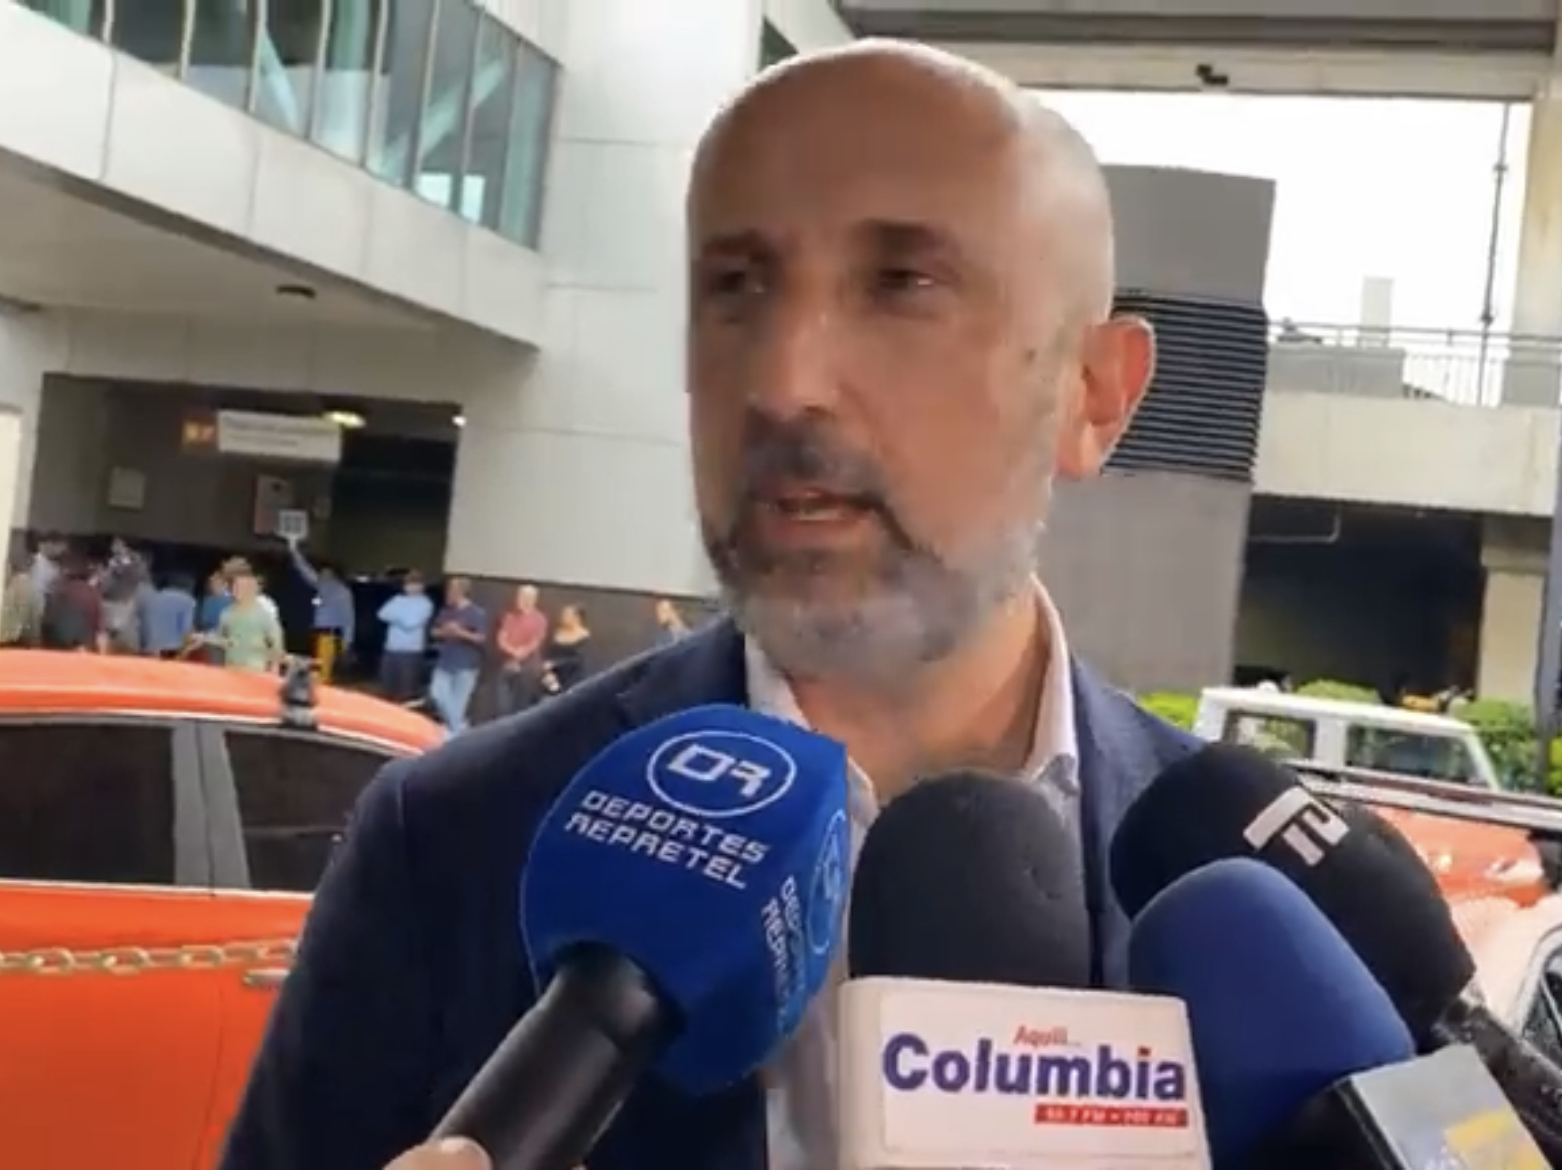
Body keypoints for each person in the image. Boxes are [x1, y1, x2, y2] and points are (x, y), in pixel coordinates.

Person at [220, 40, 1185, 1170]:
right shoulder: (447, 841)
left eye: (901, 284)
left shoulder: (1261, 902)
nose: (782, 381)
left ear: (1092, 395)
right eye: (736, 288)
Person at [286, 536, 356, 682]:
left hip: (330, 636)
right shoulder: (322, 586)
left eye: (326, 573)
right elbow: (306, 571)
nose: (323, 576)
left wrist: (347, 642)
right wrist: (294, 551)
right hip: (318, 634)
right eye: (322, 573)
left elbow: (348, 618)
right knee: (316, 668)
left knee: (323, 670)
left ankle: (322, 689)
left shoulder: (342, 592)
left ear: (334, 575)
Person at [427, 577, 487, 734]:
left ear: (459, 592)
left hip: (466, 666)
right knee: (437, 694)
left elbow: (482, 638)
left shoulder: (477, 613)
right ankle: (460, 727)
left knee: (459, 704)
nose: (447, 594)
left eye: (450, 590)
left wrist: (461, 633)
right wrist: (444, 631)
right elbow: (433, 632)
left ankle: (453, 735)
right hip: (445, 662)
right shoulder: (445, 611)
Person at [199, 568, 284, 674]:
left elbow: (276, 645)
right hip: (231, 669)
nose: (236, 591)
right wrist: (207, 639)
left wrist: (273, 671)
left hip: (255, 671)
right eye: (235, 587)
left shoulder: (264, 614)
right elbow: (222, 639)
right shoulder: (227, 613)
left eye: (241, 587)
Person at [376, 572, 435, 703]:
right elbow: (381, 614)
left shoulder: (425, 603)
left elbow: (411, 623)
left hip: (410, 652)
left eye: (415, 584)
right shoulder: (397, 599)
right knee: (386, 689)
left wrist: (394, 616)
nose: (410, 587)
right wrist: (401, 617)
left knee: (406, 692)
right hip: (390, 650)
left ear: (422, 586)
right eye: (408, 583)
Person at [492, 583, 549, 717]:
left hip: (528, 666)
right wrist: (512, 652)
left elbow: (535, 642)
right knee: (502, 705)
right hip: (507, 662)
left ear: (532, 599)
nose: (519, 600)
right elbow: (501, 638)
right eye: (519, 596)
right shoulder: (509, 616)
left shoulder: (540, 619)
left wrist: (520, 654)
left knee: (522, 705)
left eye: (523, 597)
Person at [537, 604, 593, 699]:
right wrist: (547, 670)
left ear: (577, 618)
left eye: (567, 615)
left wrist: (556, 663)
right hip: (554, 677)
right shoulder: (556, 633)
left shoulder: (584, 638)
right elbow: (548, 653)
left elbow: (578, 660)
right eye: (563, 615)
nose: (563, 618)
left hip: (573, 677)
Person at [138, 572, 198, 658]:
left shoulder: (154, 596)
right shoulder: (187, 600)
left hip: (146, 647)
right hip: (169, 651)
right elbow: (186, 630)